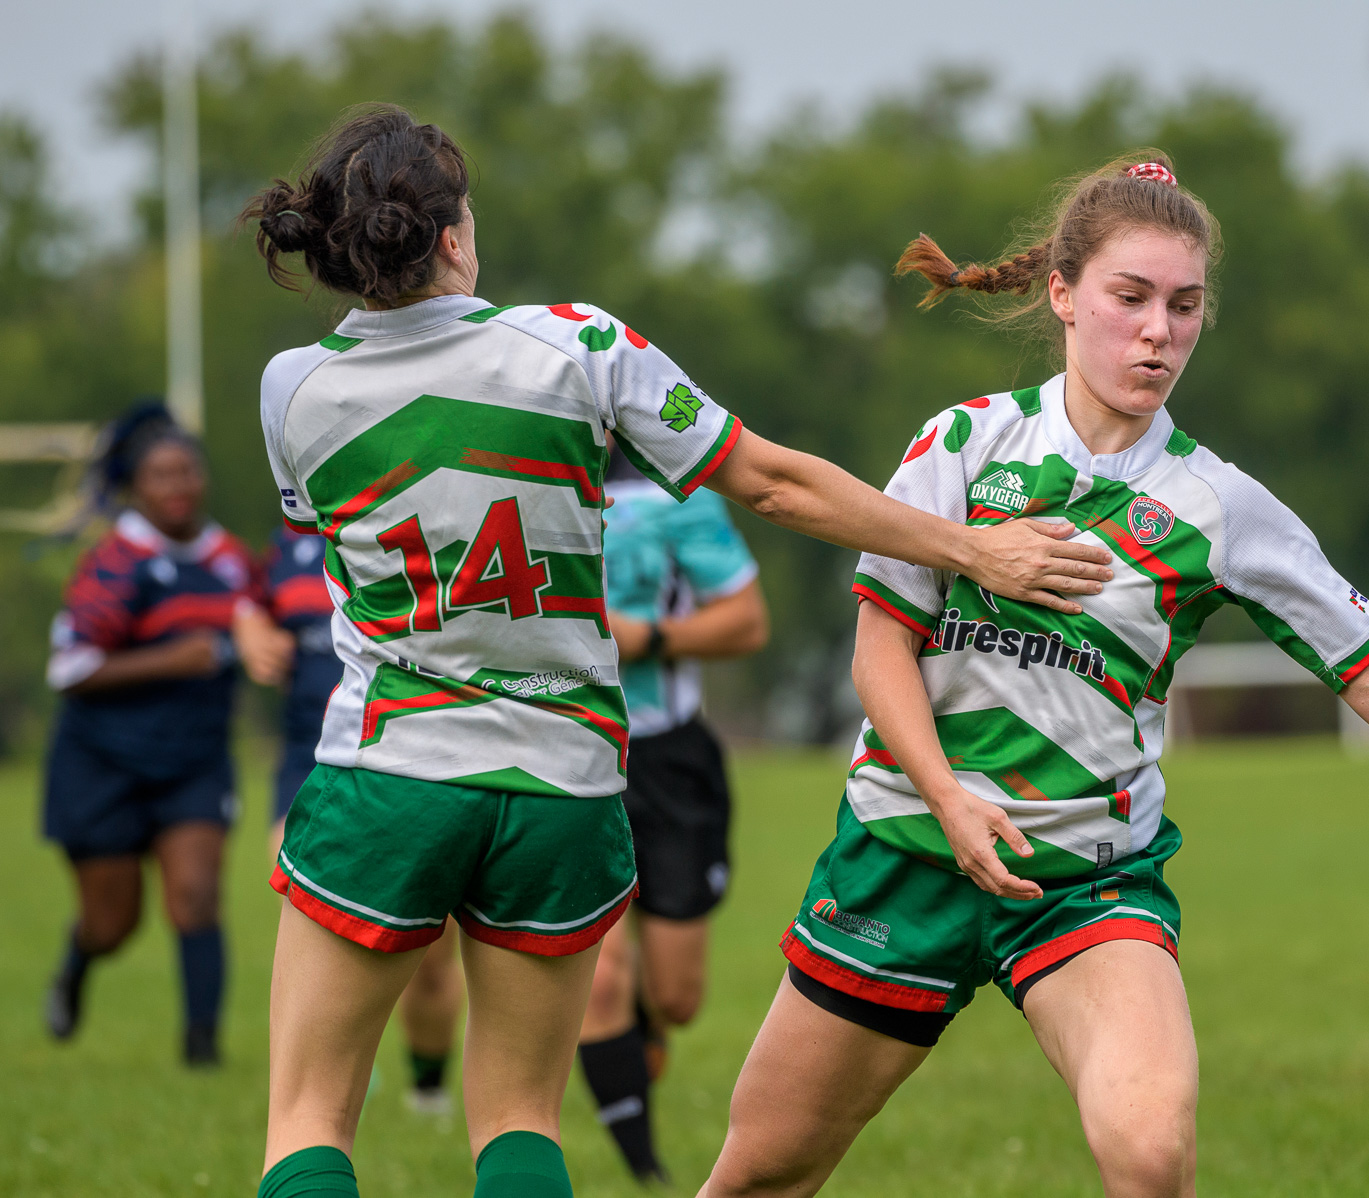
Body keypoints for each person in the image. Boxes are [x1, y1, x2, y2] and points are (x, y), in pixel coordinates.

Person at [695, 154, 1369, 1198]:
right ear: (1062, 294)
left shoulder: (1220, 505)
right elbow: (881, 649)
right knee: (762, 1173)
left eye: (1185, 306)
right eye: (1132, 298)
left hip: (1085, 883)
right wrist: (947, 800)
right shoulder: (964, 445)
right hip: (906, 850)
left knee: (1151, 1154)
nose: (1160, 331)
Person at [241, 103, 1113, 1198]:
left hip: (390, 772)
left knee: (310, 1121)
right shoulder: (580, 346)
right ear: (456, 234)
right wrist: (969, 549)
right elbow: (775, 483)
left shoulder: (292, 390)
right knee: (517, 1120)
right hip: (561, 783)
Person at [40, 401, 271, 1066]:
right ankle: (79, 960)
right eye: (161, 475)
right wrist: (175, 658)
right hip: (102, 763)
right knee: (114, 924)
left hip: (194, 761)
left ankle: (203, 1053)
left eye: (187, 471)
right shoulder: (116, 563)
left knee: (196, 895)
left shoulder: (230, 559)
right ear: (136, 485)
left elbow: (263, 623)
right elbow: (70, 666)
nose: (177, 486)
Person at [571, 446, 768, 1182]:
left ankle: (644, 1039)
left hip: (670, 761)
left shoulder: (677, 500)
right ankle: (645, 1173)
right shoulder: (523, 482)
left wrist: (645, 637)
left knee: (677, 998)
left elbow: (747, 624)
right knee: (602, 973)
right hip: (570, 753)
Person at [240, 527, 467, 1115]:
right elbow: (244, 603)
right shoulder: (285, 555)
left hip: (412, 758)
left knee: (431, 955)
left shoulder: (423, 523)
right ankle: (330, 1081)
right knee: (313, 915)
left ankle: (428, 1088)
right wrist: (250, 632)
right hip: (308, 761)